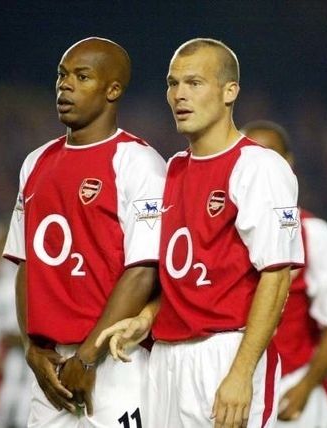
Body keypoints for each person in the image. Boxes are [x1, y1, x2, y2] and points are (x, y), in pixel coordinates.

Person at [98, 38, 304, 428]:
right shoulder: (173, 168)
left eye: (194, 83)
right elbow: (184, 273)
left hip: (225, 351)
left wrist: (241, 373)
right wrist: (146, 317)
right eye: (173, 84)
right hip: (167, 357)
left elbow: (276, 278)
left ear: (230, 92)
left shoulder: (259, 168)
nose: (179, 95)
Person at [2, 37, 166, 427]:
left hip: (116, 361)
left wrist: (89, 356)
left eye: (81, 76)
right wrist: (32, 348)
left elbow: (143, 270)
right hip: (51, 370)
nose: (65, 85)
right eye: (61, 75)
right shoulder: (36, 162)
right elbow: (27, 264)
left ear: (113, 89)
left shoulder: (139, 162)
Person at [242, 120, 327, 427]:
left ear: (289, 163)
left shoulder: (314, 235)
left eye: (272, 156)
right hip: (235, 386)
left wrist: (306, 385)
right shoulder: (220, 236)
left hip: (291, 387)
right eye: (252, 157)